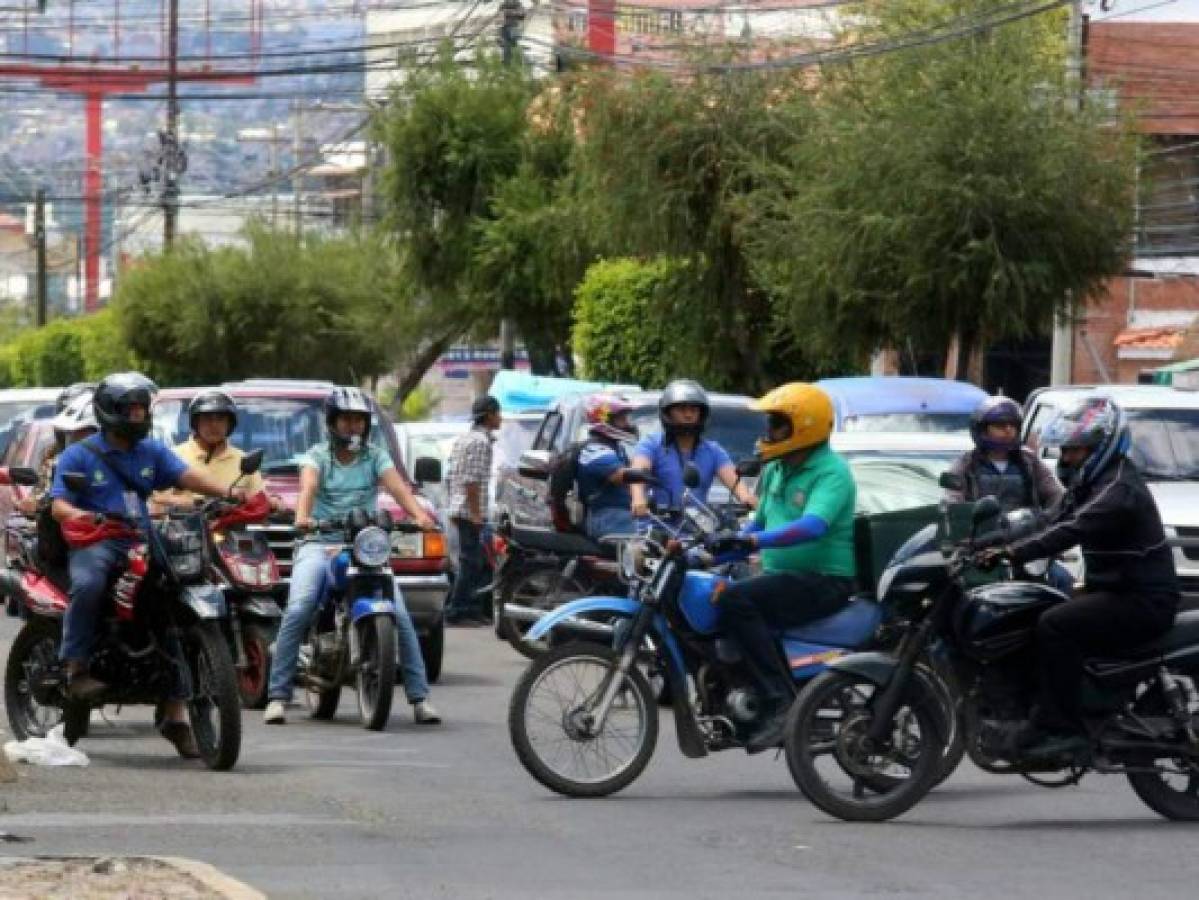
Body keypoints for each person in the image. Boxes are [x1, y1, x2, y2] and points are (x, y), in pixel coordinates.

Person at [49, 372, 249, 758]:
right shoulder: (79, 454)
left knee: (178, 596)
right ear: (110, 412)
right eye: (131, 410)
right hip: (99, 541)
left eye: (143, 410)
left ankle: (175, 713)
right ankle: (75, 666)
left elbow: (187, 476)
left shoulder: (151, 451)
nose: (139, 417)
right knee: (89, 584)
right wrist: (80, 515)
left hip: (143, 538)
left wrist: (229, 492)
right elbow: (59, 504)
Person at [980, 396, 1180, 758]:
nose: (1067, 459)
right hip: (1114, 591)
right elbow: (1047, 521)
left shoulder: (1119, 490)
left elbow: (1071, 529)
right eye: (1065, 450)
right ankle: (1044, 706)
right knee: (1030, 614)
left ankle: (1060, 728)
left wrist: (1014, 552)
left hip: (1142, 600)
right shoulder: (1092, 484)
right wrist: (992, 539)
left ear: (1103, 446)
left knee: (1055, 625)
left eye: (1076, 451)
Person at [263, 387, 441, 726]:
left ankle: (420, 699)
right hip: (319, 541)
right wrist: (303, 517)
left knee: (400, 616)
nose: (353, 427)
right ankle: (278, 695)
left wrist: (418, 515)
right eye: (346, 420)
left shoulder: (376, 455)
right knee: (300, 606)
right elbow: (309, 488)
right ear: (332, 423)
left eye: (359, 420)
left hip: (365, 544)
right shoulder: (317, 455)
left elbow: (398, 487)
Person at [712, 382, 857, 754]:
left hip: (824, 580)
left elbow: (813, 526)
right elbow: (757, 524)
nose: (768, 433)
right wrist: (717, 552)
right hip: (781, 576)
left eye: (777, 424)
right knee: (714, 593)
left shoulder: (831, 472)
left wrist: (752, 543)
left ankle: (780, 701)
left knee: (734, 601)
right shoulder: (777, 467)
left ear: (803, 426)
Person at [945, 395, 1073, 594]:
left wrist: (1044, 522)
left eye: (1012, 425)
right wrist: (965, 536)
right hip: (981, 552)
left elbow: (1059, 497)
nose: (1008, 430)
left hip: (1027, 547)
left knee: (1062, 581)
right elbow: (953, 503)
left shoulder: (1030, 462)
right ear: (981, 429)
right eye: (999, 425)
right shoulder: (966, 465)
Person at [629, 379, 756, 519]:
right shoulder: (651, 444)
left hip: (698, 530)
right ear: (668, 412)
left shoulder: (713, 451)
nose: (688, 415)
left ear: (701, 414)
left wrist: (746, 497)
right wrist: (638, 498)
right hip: (656, 527)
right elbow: (639, 470)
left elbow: (734, 480)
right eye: (682, 409)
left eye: (694, 410)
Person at [150, 390, 274, 515]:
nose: (214, 425)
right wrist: (201, 504)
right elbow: (156, 502)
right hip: (184, 531)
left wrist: (275, 503)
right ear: (196, 423)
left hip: (233, 531)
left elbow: (260, 500)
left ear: (229, 423)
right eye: (207, 418)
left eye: (220, 419)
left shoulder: (243, 459)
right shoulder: (173, 456)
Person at [443, 395, 502, 626]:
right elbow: (471, 481)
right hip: (469, 510)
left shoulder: (465, 439)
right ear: (489, 415)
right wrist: (476, 513)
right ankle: (457, 609)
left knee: (475, 561)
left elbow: (452, 477)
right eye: (498, 413)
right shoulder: (479, 442)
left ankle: (473, 607)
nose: (500, 418)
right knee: (471, 562)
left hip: (460, 508)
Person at [17, 389, 99, 516]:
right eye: (68, 432)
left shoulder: (127, 456)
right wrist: (32, 505)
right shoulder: (55, 461)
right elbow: (44, 499)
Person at [576, 394, 641, 540]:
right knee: (648, 543)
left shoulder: (618, 449)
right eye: (622, 419)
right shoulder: (594, 450)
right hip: (607, 517)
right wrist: (646, 474)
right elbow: (619, 475)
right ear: (605, 420)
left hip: (625, 514)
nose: (628, 424)